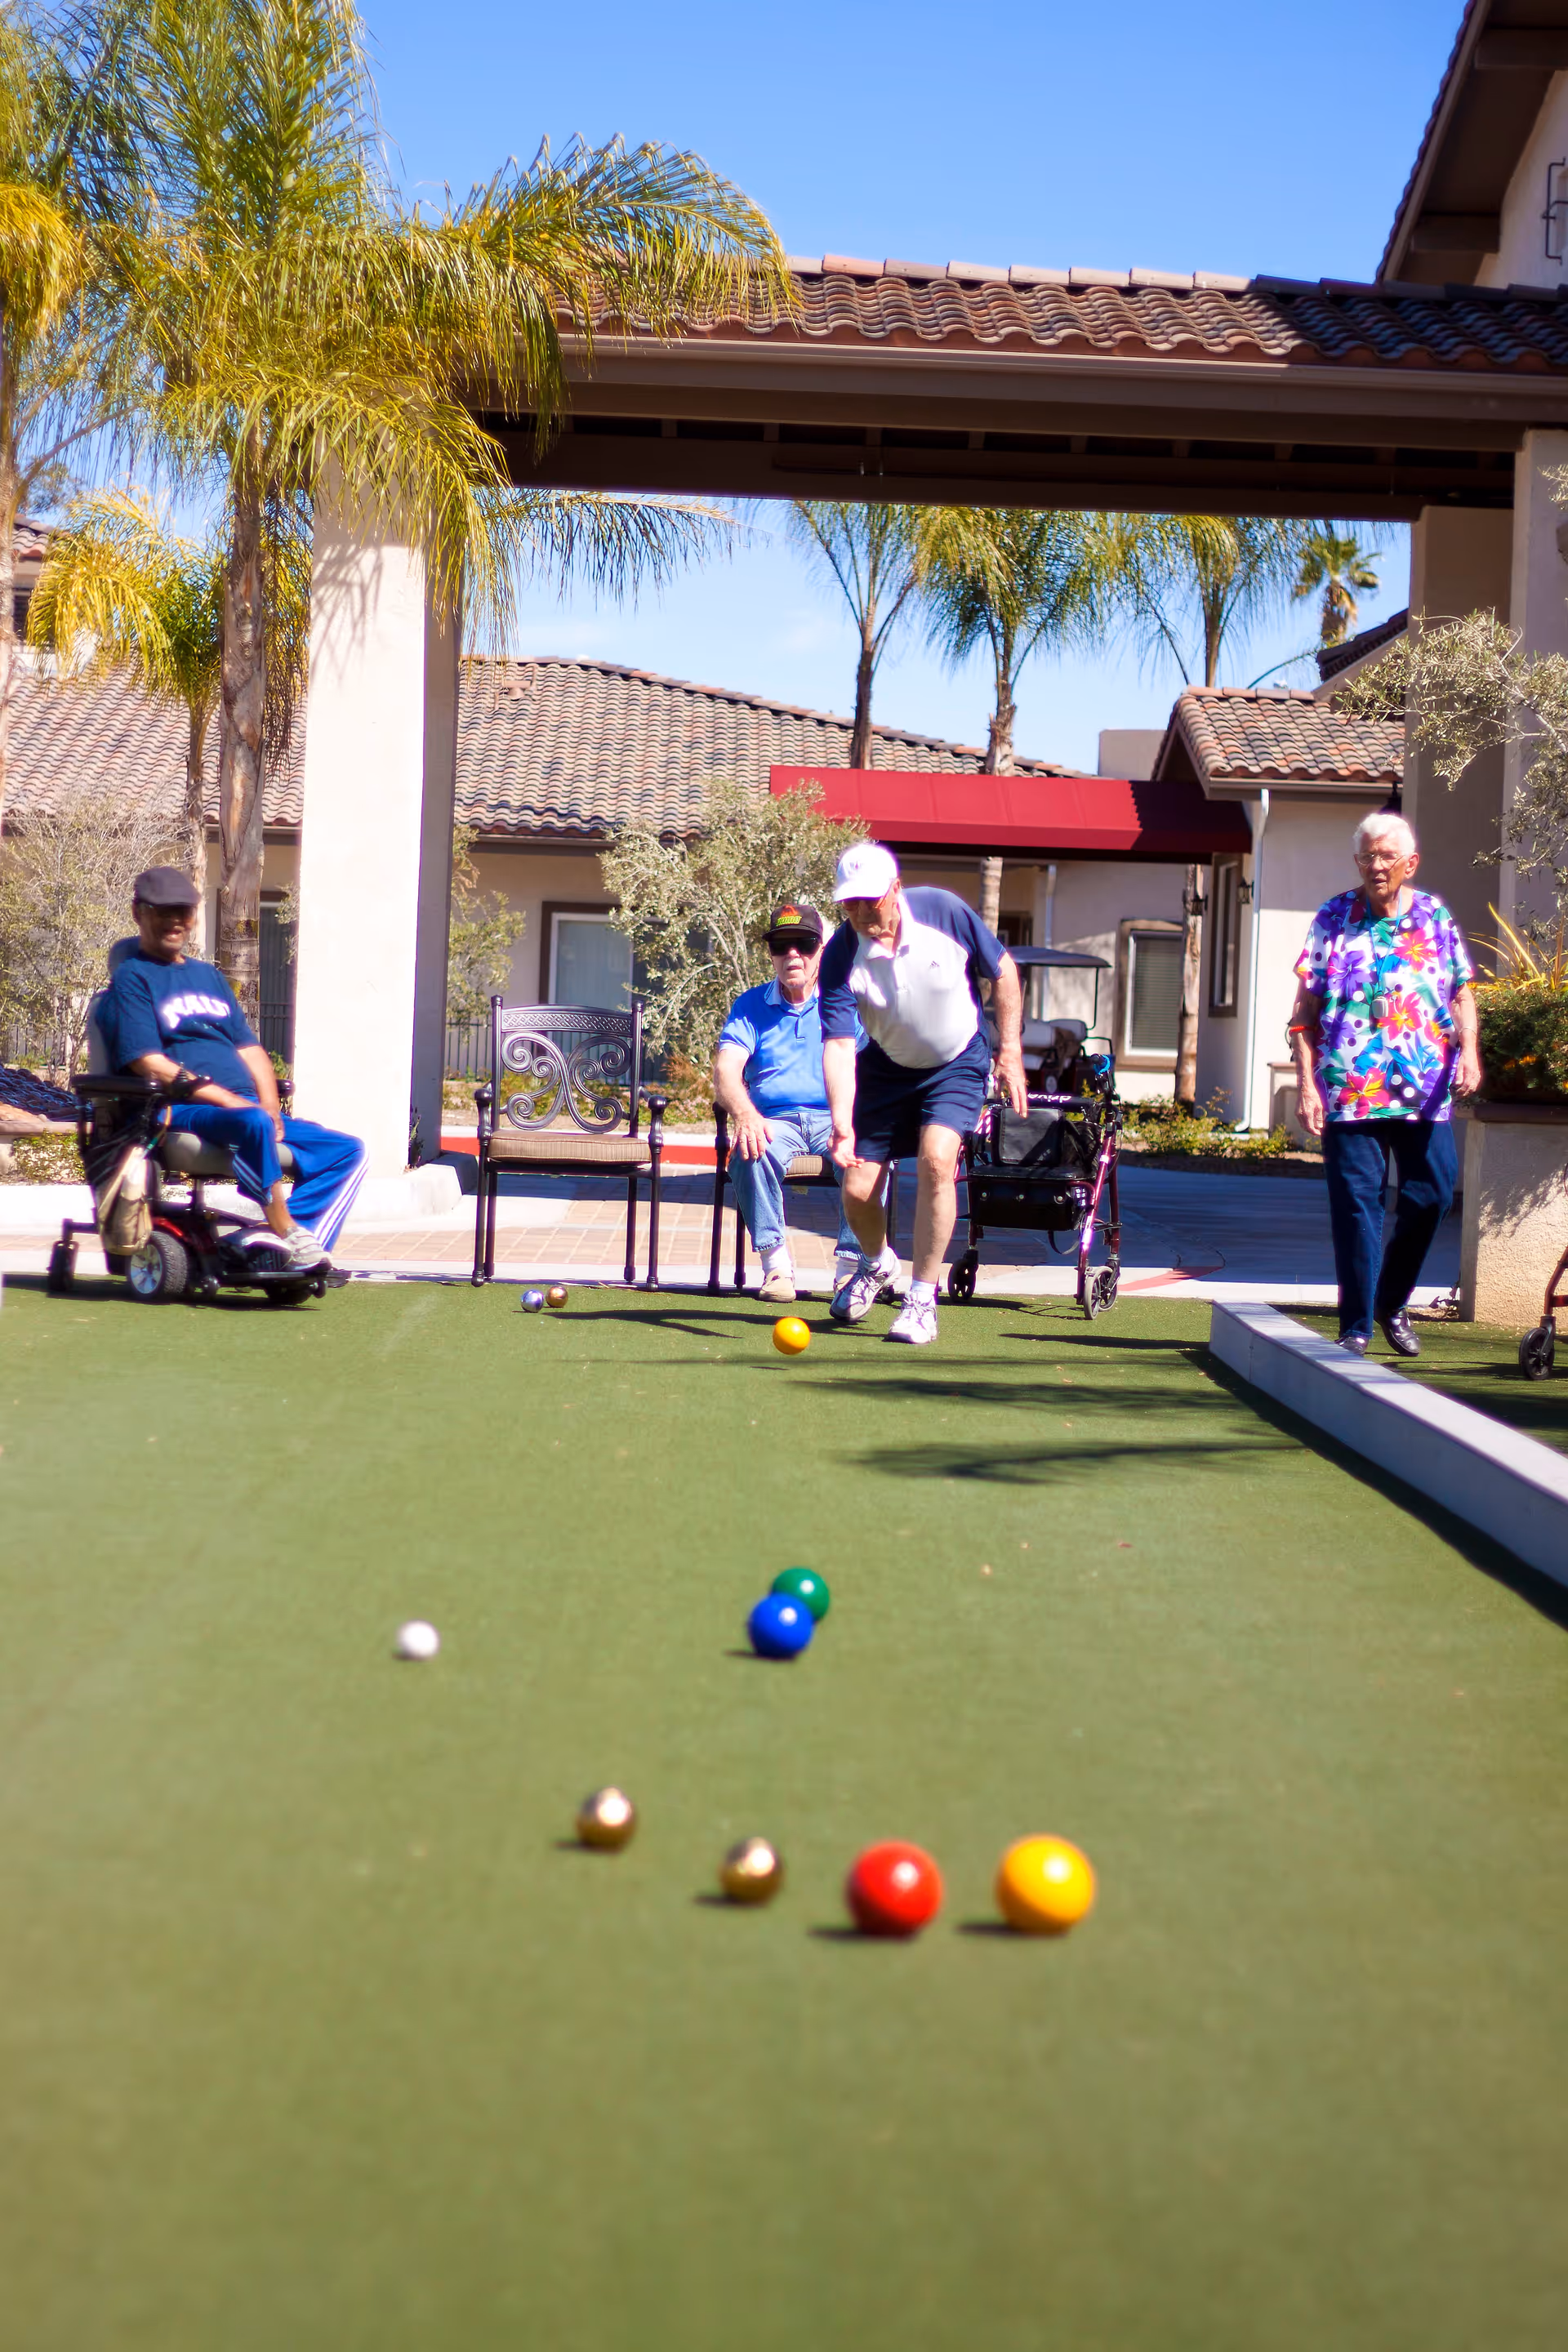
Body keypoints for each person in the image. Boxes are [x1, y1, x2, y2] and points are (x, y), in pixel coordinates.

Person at [101, 866, 368, 1267]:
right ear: (139, 912)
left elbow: (250, 1049)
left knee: (348, 1151)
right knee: (254, 1123)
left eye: (184, 912)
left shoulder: (208, 976)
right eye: (164, 911)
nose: (176, 921)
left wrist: (270, 1106)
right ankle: (283, 1228)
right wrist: (232, 1103)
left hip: (243, 1111)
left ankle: (294, 1241)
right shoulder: (133, 976)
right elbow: (148, 1061)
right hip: (182, 1110)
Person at [819, 841, 1027, 1347]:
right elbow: (841, 1046)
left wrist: (1011, 1051)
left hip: (957, 1061)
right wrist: (842, 1122)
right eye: (850, 903)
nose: (861, 912)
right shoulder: (841, 956)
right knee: (856, 1187)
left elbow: (1003, 971)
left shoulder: (944, 911)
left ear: (896, 890)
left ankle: (921, 1298)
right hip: (887, 1068)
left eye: (870, 900)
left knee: (937, 1159)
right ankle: (878, 1263)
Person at [1289, 813, 1481, 1356]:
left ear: (1410, 864)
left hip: (1425, 1088)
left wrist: (1469, 1051)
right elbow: (1303, 1012)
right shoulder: (1333, 917)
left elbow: (1462, 992)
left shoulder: (1435, 917)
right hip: (1349, 1090)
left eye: (1386, 857)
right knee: (1357, 1206)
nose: (1376, 866)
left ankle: (1391, 1300)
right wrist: (1307, 1085)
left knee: (1433, 1196)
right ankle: (1356, 1327)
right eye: (1367, 857)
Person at [713, 900, 860, 1304]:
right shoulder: (750, 1006)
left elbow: (877, 1066)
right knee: (748, 1149)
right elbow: (726, 1072)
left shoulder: (845, 1001)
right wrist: (745, 1114)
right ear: (772, 954)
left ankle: (850, 1274)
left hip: (837, 1119)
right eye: (781, 945)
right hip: (776, 1122)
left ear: (822, 951)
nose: (792, 953)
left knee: (869, 1155)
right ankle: (776, 1267)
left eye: (804, 943)